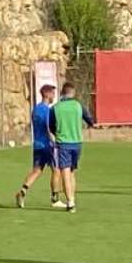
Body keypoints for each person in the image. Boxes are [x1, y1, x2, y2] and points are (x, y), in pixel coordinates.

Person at [48, 83, 95, 213]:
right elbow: (90, 121)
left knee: (65, 172)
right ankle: (72, 198)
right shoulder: (78, 106)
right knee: (72, 171)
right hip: (77, 143)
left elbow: (51, 126)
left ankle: (70, 203)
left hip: (63, 143)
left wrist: (58, 132)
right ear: (73, 93)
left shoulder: (55, 108)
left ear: (62, 93)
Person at [15, 84, 63, 209]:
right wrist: (54, 138)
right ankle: (55, 199)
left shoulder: (35, 109)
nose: (53, 96)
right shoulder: (47, 111)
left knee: (37, 171)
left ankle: (23, 190)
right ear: (47, 94)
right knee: (56, 170)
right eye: (52, 93)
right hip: (48, 145)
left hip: (37, 145)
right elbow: (49, 127)